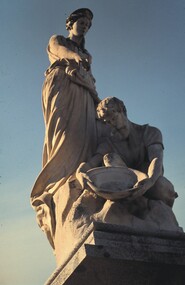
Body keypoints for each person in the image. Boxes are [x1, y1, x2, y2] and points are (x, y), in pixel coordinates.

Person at [31, 8, 100, 249]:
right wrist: (76, 58)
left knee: (85, 135)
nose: (84, 27)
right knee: (62, 133)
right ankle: (57, 180)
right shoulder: (58, 40)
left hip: (82, 91)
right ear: (70, 24)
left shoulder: (87, 53)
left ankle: (77, 175)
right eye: (81, 22)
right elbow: (60, 51)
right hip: (61, 83)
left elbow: (90, 76)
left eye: (88, 25)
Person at [92, 97, 178, 207]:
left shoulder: (150, 132)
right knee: (109, 158)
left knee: (162, 188)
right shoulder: (108, 144)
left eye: (113, 118)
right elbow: (91, 163)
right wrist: (80, 173)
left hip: (151, 183)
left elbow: (156, 158)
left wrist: (150, 181)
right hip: (126, 185)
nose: (111, 124)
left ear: (123, 111)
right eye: (107, 122)